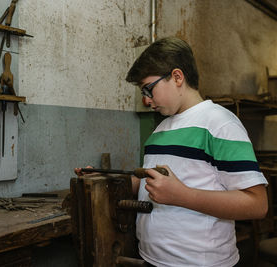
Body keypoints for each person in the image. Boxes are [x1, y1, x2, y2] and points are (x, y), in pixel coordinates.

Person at [75, 36, 268, 267]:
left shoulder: (220, 124)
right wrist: (106, 179)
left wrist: (182, 195)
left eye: (148, 89)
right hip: (153, 259)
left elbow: (257, 204)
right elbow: (149, 182)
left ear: (177, 77)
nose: (146, 101)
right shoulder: (160, 130)